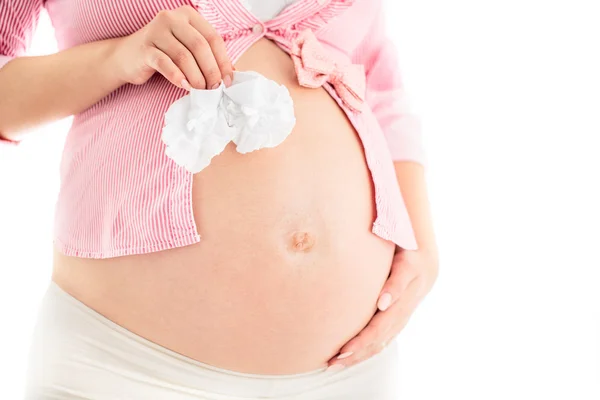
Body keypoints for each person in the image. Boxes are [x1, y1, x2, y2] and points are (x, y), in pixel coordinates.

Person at [0, 0, 439, 398]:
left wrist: (421, 245)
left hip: (349, 375)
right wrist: (118, 56)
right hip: (126, 369)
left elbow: (381, 90)